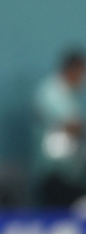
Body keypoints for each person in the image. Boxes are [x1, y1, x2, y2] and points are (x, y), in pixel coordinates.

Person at [33, 49, 86, 207]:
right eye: (83, 73)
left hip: (72, 174)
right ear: (73, 70)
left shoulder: (70, 97)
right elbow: (72, 126)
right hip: (54, 175)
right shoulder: (51, 93)